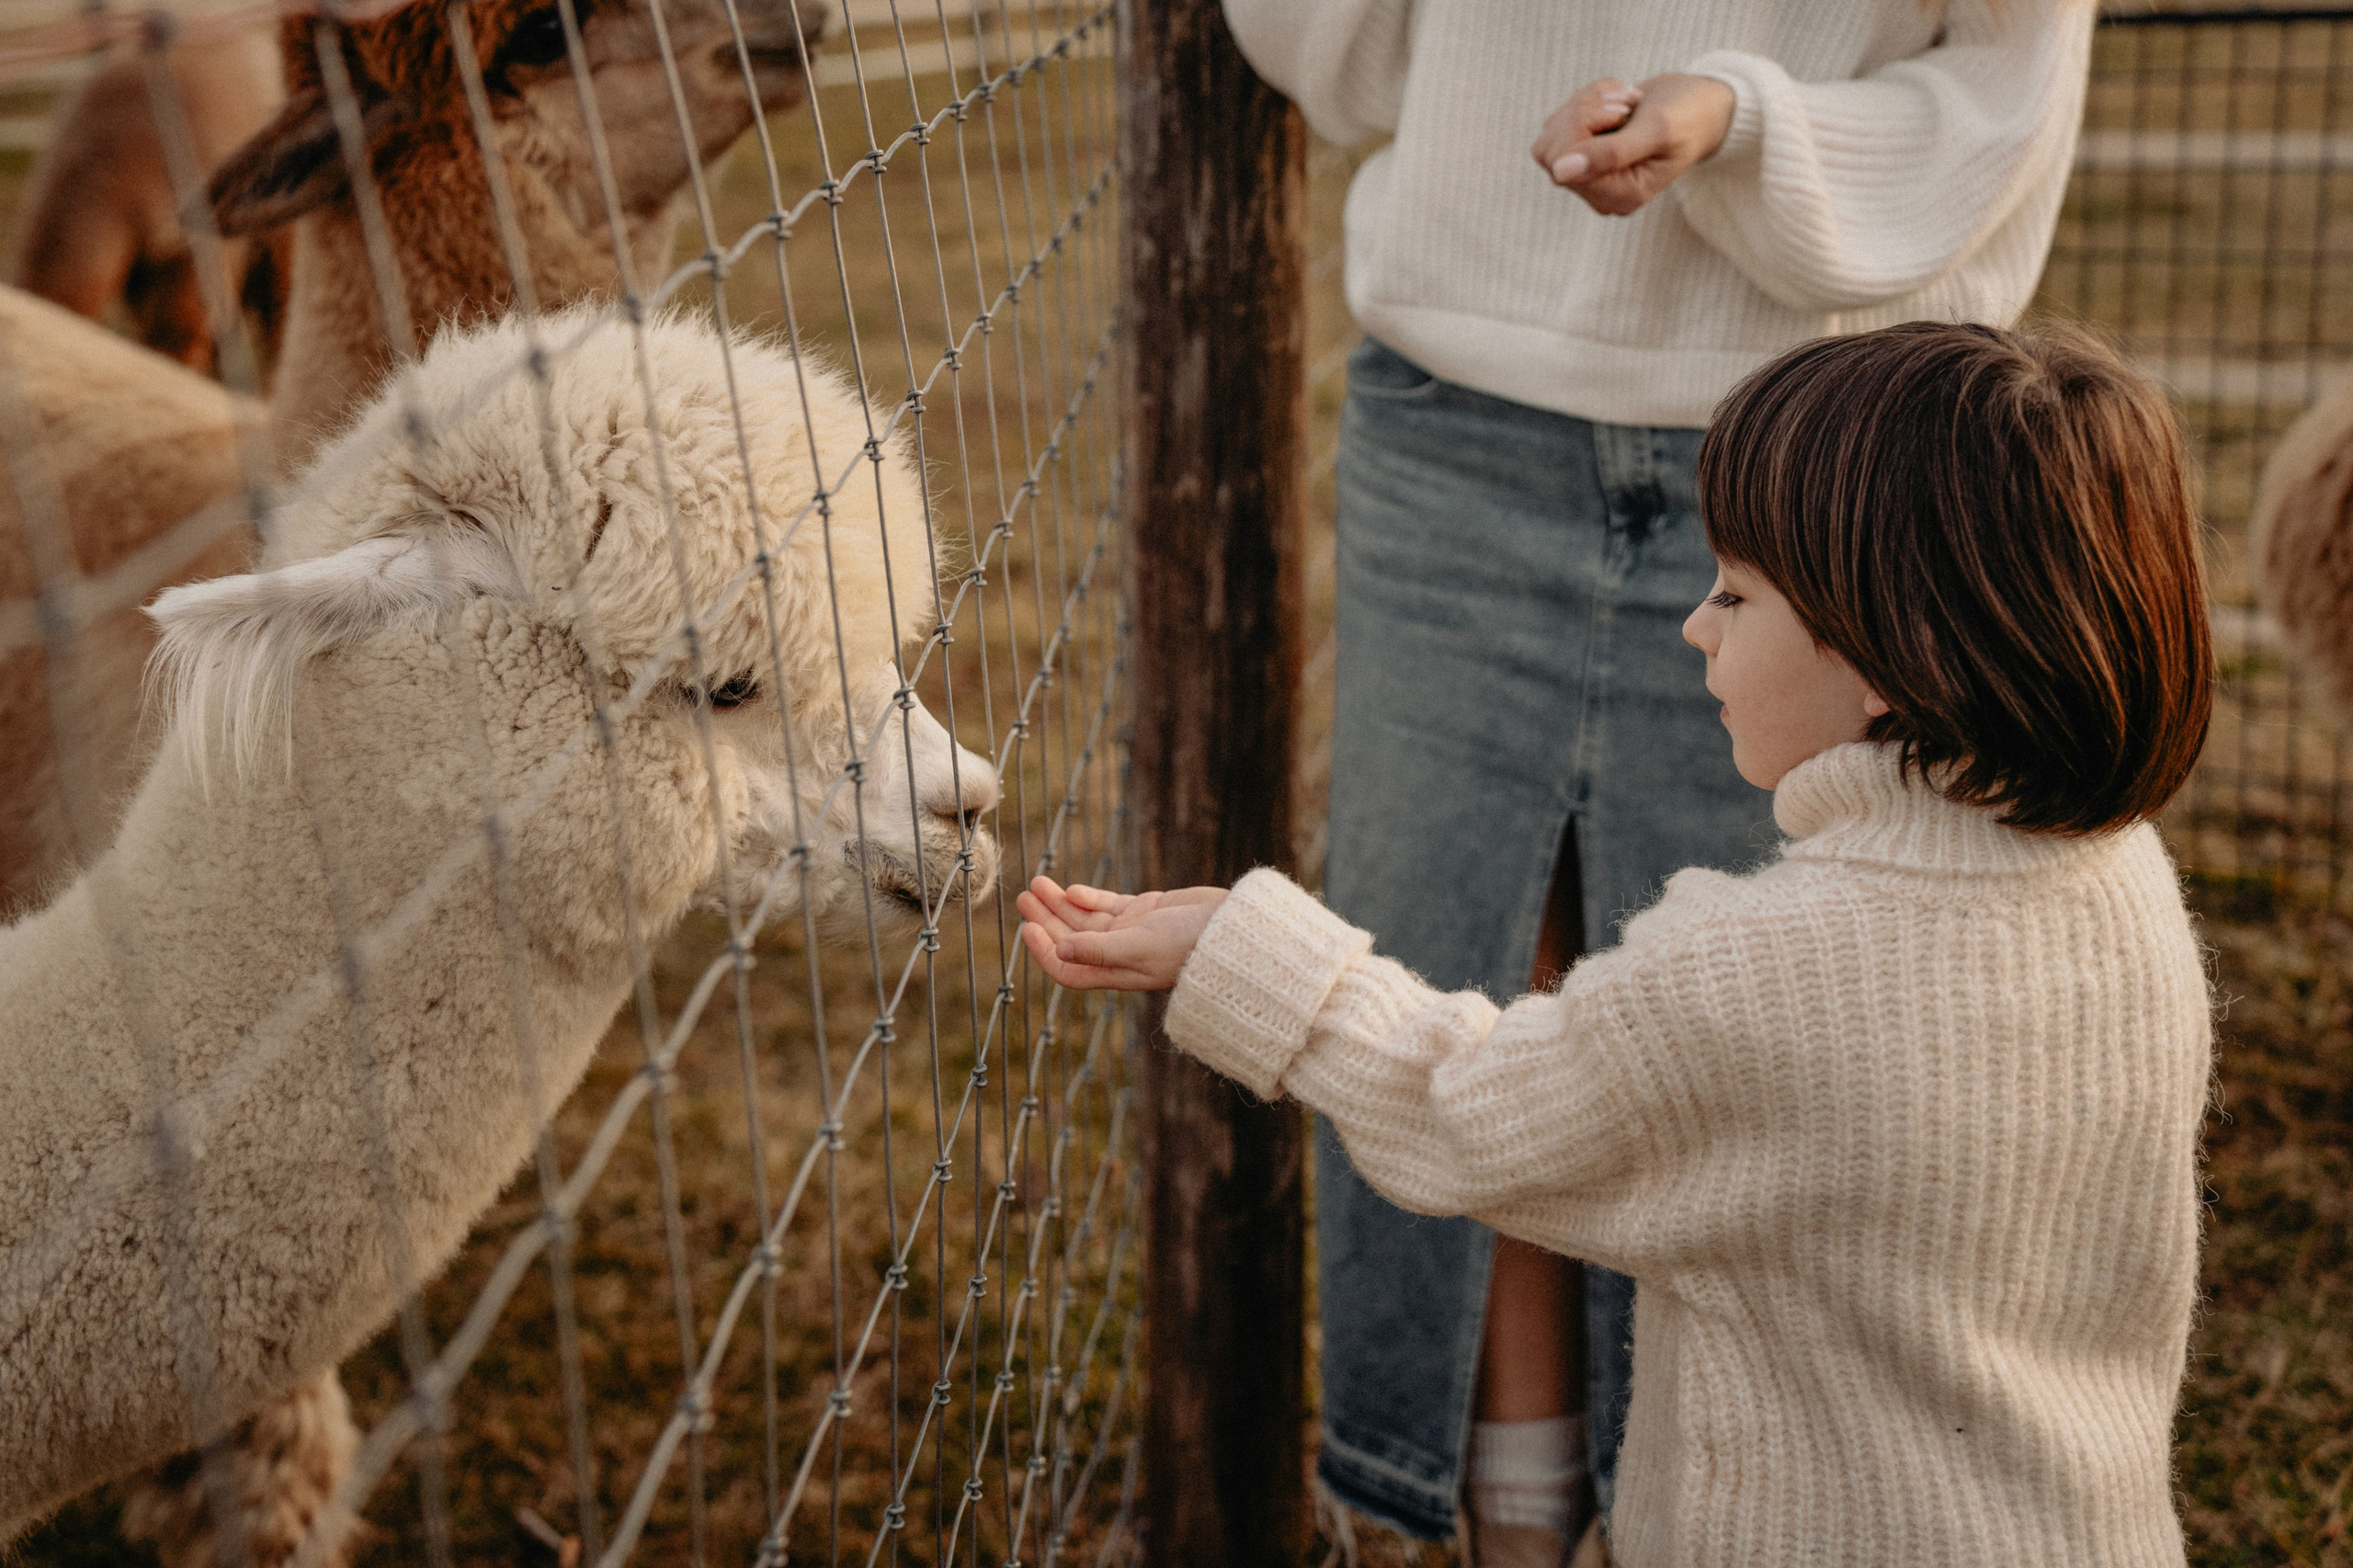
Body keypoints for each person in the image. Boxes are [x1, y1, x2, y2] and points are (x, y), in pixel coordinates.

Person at [1020, 323, 2215, 1566]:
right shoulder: (2124, 891)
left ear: (1893, 651)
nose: (1696, 625)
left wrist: (1246, 944)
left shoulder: (1758, 970)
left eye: (1738, 593)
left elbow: (1468, 1110)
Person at [1215, 1, 2100, 1558]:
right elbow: (1340, 52)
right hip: (1458, 403)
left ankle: (1712, 1521)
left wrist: (1745, 120)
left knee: (1750, 1050)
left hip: (1823, 441)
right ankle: (1501, 1523)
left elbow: (2008, 94)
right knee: (1474, 982)